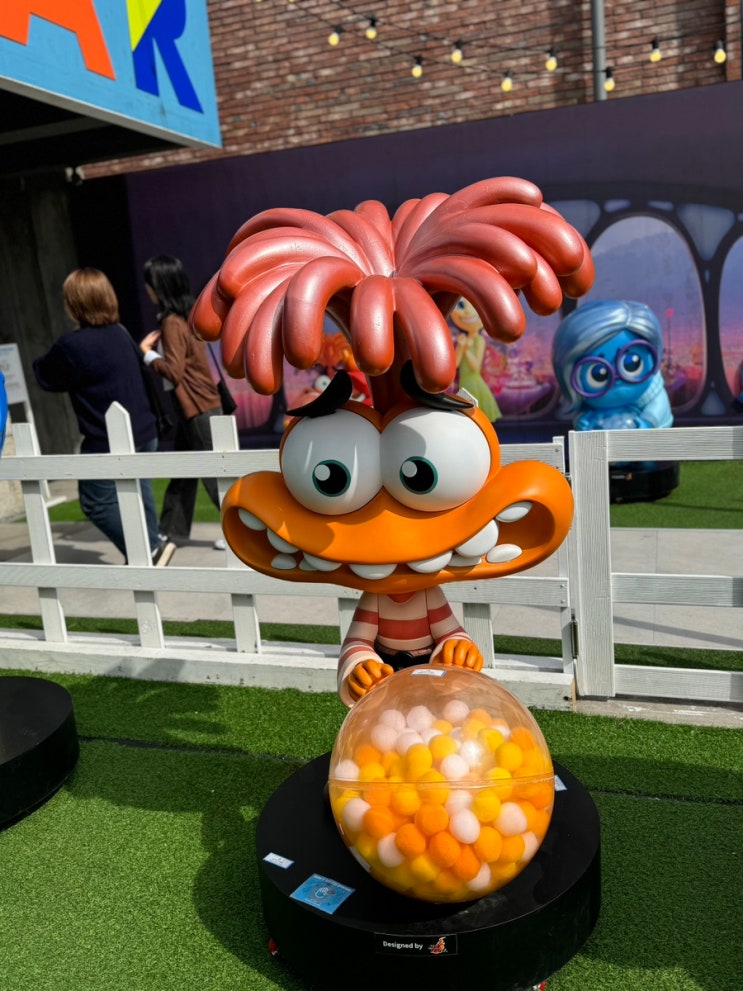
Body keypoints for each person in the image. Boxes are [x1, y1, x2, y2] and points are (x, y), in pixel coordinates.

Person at [33, 268, 175, 565]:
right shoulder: (120, 333)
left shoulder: (72, 346)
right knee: (139, 491)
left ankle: (149, 548)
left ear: (74, 305)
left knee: (96, 502)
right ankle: (155, 545)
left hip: (106, 439)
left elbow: (46, 377)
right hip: (144, 431)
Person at [139, 254, 223, 546]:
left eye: (150, 283)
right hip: (196, 408)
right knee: (184, 471)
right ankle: (169, 530)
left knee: (214, 476)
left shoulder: (173, 322)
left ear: (160, 285)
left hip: (199, 408)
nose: (146, 288)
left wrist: (147, 354)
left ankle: (243, 531)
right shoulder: (185, 316)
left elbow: (174, 373)